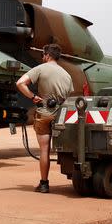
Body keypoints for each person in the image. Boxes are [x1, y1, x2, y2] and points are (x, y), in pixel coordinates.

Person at [16, 43, 72, 193]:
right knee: (67, 149)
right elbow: (68, 96)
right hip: (61, 114)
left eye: (43, 55)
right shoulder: (66, 74)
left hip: (45, 112)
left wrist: (33, 97)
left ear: (47, 55)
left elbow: (20, 83)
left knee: (44, 150)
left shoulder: (40, 69)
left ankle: (44, 184)